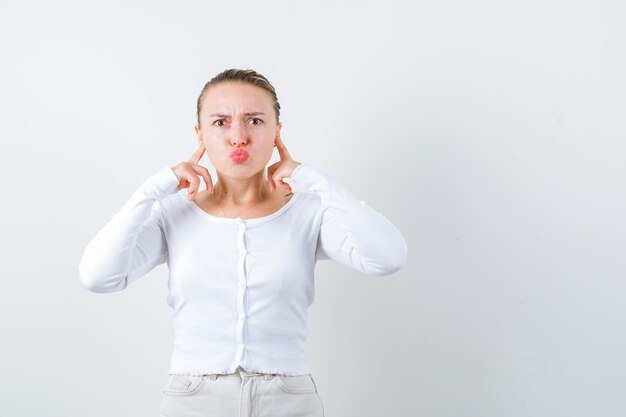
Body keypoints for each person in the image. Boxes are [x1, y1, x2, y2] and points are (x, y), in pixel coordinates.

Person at [78, 68, 408, 417]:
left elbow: (387, 257)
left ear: (277, 132)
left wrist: (314, 180)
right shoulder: (172, 214)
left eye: (254, 121)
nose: (238, 137)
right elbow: (98, 277)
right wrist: (151, 190)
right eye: (221, 122)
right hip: (192, 399)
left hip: (290, 398)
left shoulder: (308, 213)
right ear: (200, 134)